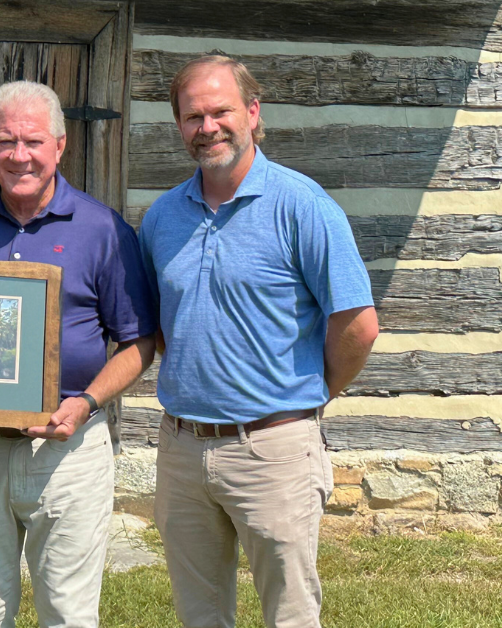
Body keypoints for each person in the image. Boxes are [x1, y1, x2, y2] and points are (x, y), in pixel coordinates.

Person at [138, 56, 380, 628]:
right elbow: (156, 321)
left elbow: (359, 323)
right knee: (200, 616)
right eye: (193, 116)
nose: (208, 127)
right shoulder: (162, 217)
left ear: (252, 111)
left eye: (221, 111)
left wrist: (311, 396)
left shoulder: (303, 206)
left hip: (273, 448)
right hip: (181, 445)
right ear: (179, 125)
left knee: (290, 615)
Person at [0, 80, 157, 628]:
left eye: (32, 141)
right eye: (6, 141)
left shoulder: (103, 230)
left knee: (68, 613)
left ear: (59, 145)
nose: (19, 155)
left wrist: (88, 403)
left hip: (69, 447)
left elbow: (140, 341)